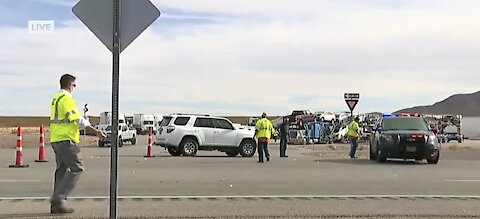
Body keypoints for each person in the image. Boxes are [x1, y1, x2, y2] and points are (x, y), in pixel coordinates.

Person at [49, 74, 106, 214]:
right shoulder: (67, 99)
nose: (74, 88)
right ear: (70, 85)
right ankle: (58, 198)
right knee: (77, 168)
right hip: (66, 139)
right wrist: (96, 131)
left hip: (56, 139)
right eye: (74, 85)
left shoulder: (56, 99)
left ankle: (57, 205)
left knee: (62, 170)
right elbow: (78, 120)